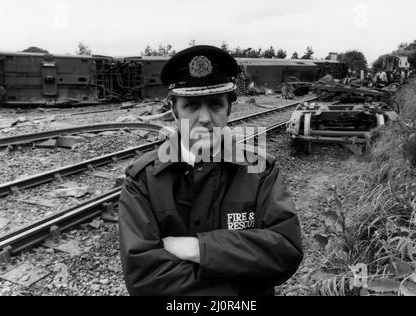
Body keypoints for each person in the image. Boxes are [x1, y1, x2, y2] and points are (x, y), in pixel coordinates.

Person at [118, 45, 303, 296]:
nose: (204, 118)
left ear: (229, 109)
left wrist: (198, 249)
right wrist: (244, 275)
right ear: (173, 111)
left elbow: (285, 250)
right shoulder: (143, 181)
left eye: (215, 104)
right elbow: (144, 278)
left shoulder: (260, 172)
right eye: (192, 106)